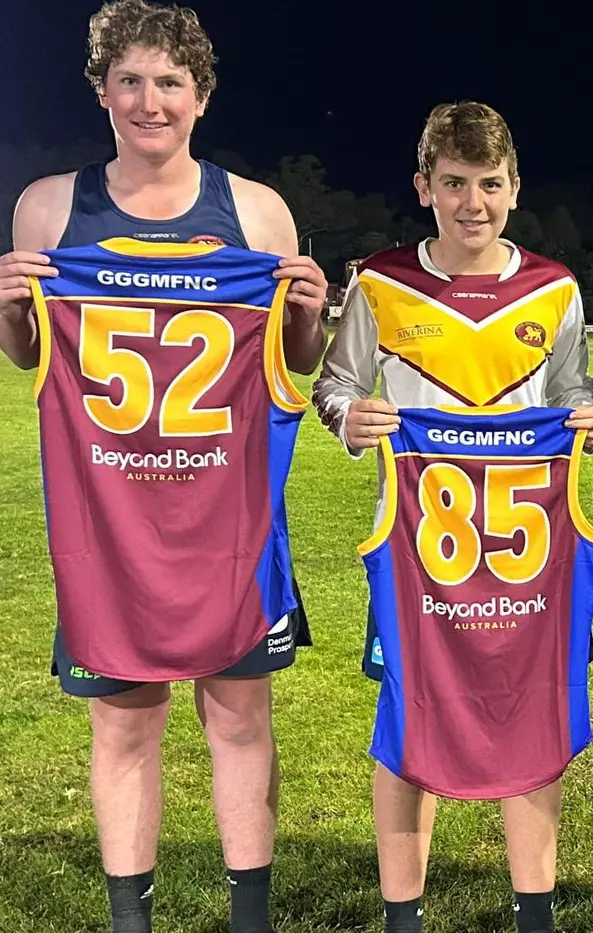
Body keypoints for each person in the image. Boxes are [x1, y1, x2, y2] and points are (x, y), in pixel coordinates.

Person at [0, 3, 327, 932]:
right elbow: (31, 357)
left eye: (170, 82)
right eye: (132, 81)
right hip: (108, 520)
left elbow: (291, 365)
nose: (152, 101)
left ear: (202, 96)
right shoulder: (50, 204)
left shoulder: (258, 212)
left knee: (238, 720)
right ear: (103, 90)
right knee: (125, 723)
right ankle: (128, 919)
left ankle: (249, 916)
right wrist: (11, 306)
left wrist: (304, 310)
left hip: (228, 518)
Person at [310, 99, 593, 933]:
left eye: (488, 183)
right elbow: (332, 386)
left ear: (515, 188)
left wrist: (589, 415)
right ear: (423, 186)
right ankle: (402, 912)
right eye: (453, 183)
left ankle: (535, 909)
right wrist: (349, 417)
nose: (471, 202)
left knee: (531, 711)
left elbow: (572, 396)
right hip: (416, 551)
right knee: (406, 717)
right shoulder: (379, 282)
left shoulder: (553, 289)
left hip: (527, 548)